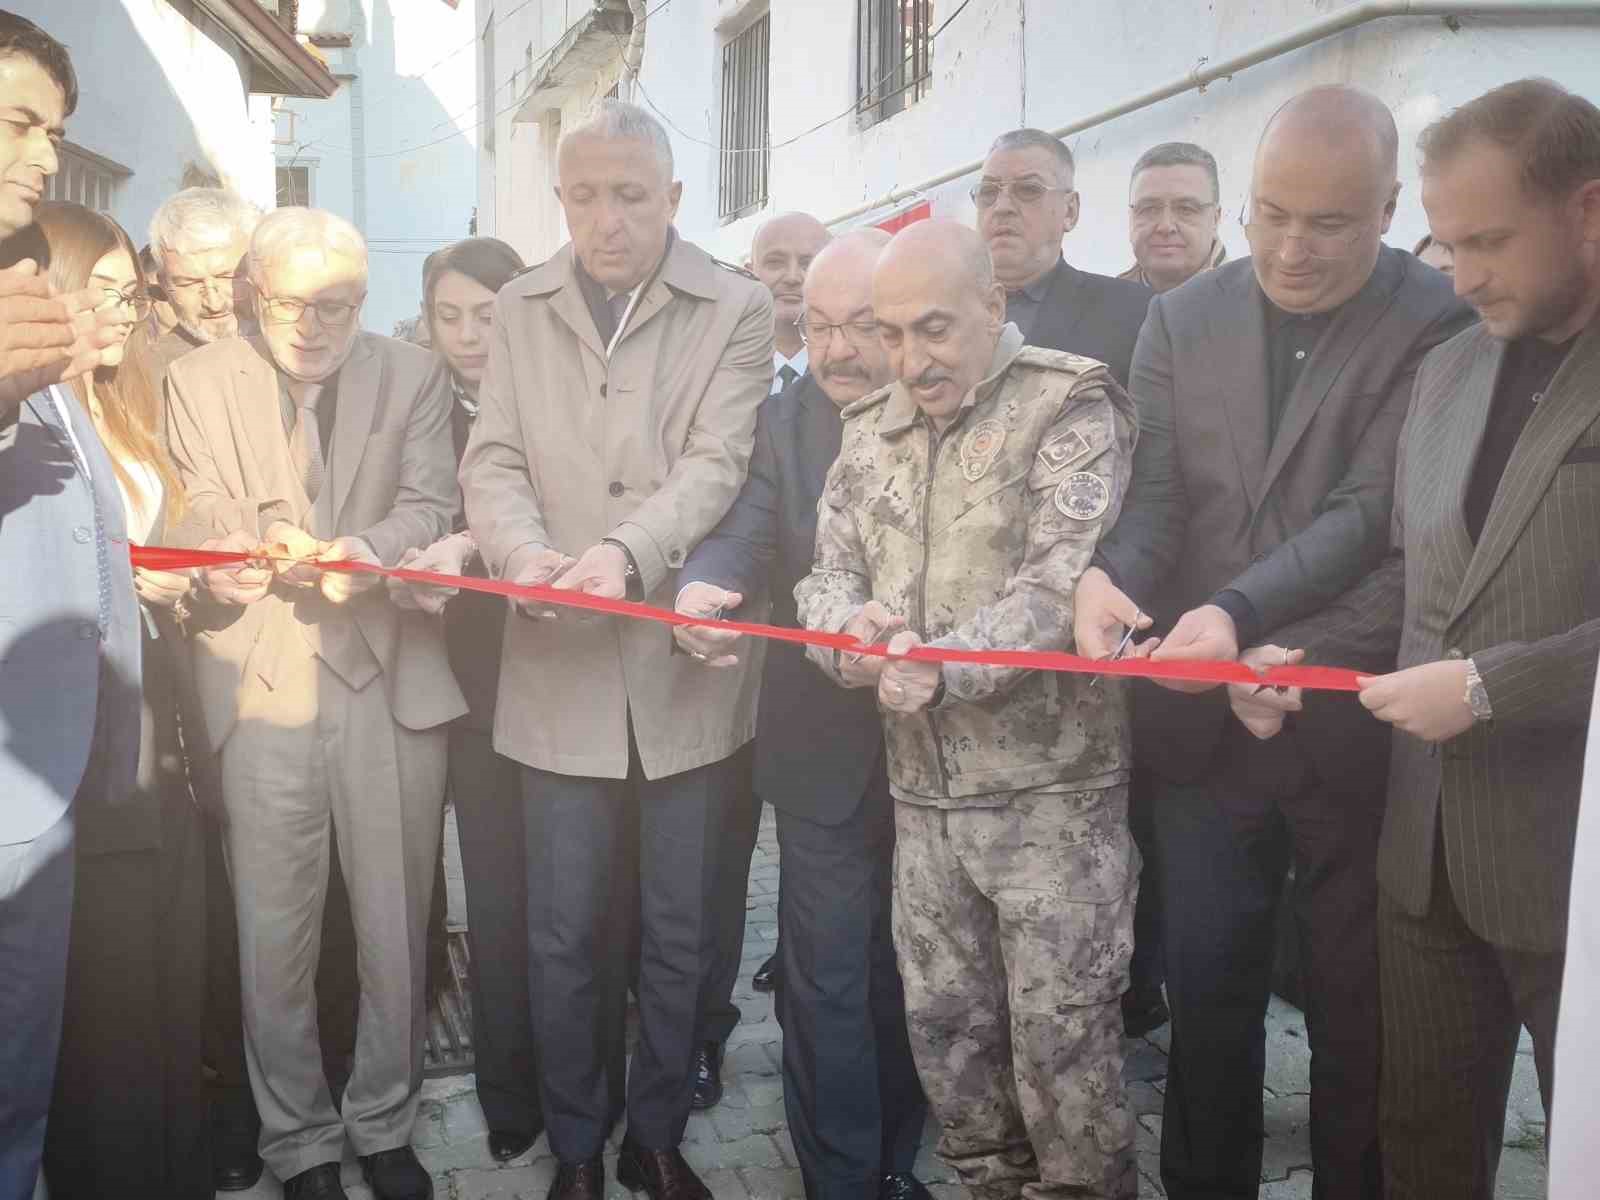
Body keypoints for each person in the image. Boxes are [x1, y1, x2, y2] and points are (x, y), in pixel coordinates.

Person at [1072, 86, 1474, 1200]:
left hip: (1351, 721)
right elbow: (1154, 502)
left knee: (1360, 1007)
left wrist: (1247, 626)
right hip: (1205, 730)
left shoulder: (1435, 318)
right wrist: (1110, 578)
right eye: (1269, 215)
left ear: (1388, 209)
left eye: (1329, 224)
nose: (1290, 249)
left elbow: (1374, 511)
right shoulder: (1180, 316)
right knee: (1207, 999)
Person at [459, 99, 771, 1200]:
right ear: (560, 202)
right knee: (562, 933)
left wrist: (627, 556)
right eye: (584, 196)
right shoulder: (519, 307)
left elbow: (719, 459)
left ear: (674, 199)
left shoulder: (738, 305)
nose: (606, 220)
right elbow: (490, 458)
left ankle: (657, 1136)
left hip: (683, 678)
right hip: (553, 669)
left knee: (681, 934)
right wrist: (523, 555)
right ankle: (579, 1147)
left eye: (630, 196)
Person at [797, 219, 1140, 1199]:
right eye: (890, 333)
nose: (909, 359)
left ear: (994, 305)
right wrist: (852, 642)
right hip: (925, 806)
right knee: (957, 1070)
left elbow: (1055, 586)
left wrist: (939, 666)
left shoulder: (1067, 403)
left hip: (1052, 806)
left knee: (1065, 1073)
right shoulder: (871, 430)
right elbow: (822, 583)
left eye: (933, 329)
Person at [1331, 78, 1598, 1199]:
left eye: (1487, 241)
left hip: (1573, 862)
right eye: (1444, 245)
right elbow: (1413, 572)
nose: (1462, 274)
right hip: (1425, 851)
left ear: (1588, 210)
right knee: (1426, 1148)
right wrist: (1290, 653)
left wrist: (1494, 687)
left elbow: (1486, 652)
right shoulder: (1445, 370)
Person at [165, 206, 463, 1200]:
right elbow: (197, 502)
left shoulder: (412, 375)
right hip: (261, 677)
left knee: (395, 924)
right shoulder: (198, 378)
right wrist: (243, 551)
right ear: (253, 292)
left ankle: (384, 1125)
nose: (316, 323)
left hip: (384, 672)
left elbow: (430, 500)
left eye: (339, 304)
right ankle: (295, 1141)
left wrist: (367, 552)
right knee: (273, 932)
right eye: (294, 302)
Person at [674, 229, 930, 1200]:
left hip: (941, 751)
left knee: (909, 970)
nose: (838, 350)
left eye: (862, 325)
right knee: (823, 977)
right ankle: (840, 1179)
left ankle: (897, 1157)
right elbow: (745, 526)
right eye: (819, 326)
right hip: (819, 750)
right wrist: (707, 586)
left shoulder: (952, 411)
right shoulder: (782, 421)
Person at [6, 200, 206, 1199]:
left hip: (142, 724)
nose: (127, 314)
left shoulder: (108, 407)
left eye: (136, 295)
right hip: (64, 748)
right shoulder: (27, 419)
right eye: (109, 292)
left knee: (143, 976)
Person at [0, 15, 140, 1199]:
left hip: (44, 781)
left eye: (55, 133)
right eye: (17, 124)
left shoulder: (20, 303)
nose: (46, 160)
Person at [386, 235, 545, 1164]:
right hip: (437, 678)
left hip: (537, 677)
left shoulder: (552, 397)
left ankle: (544, 1080)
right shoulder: (417, 406)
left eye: (485, 314)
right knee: (459, 896)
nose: (467, 335)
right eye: (449, 316)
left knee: (537, 897)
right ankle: (479, 1084)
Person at [974, 127, 1152, 384]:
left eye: (1028, 189)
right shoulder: (937, 312)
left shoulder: (1133, 313)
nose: (1002, 207)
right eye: (988, 192)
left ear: (1069, 211)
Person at [146, 187, 260, 378]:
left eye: (228, 277)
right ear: (164, 284)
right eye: (189, 283)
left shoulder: (308, 352)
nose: (214, 303)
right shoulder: (146, 377)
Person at [1120, 141, 1228, 292]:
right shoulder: (1101, 307)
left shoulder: (1256, 304)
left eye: (1186, 209)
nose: (1165, 226)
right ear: (1131, 217)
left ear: (1216, 219)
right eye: (1149, 209)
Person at [752, 211, 831, 395]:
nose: (792, 277)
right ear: (749, 273)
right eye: (776, 263)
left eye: (808, 264)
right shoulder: (719, 371)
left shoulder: (853, 371)